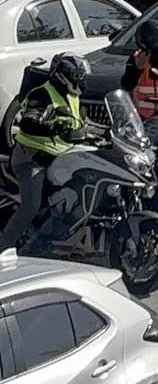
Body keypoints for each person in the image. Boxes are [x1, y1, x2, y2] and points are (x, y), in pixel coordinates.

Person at [0, 53, 88, 253]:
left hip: (58, 158)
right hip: (32, 158)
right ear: (63, 75)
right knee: (31, 206)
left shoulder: (72, 96)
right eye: (76, 75)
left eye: (81, 76)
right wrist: (55, 128)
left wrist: (103, 132)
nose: (80, 80)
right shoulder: (41, 95)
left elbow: (80, 123)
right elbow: (29, 122)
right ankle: (3, 246)